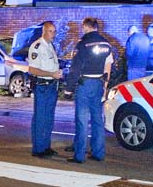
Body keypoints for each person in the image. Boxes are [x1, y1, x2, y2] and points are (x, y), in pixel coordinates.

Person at [64, 17, 113, 164]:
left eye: (83, 27)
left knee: (82, 120)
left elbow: (75, 68)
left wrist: (69, 89)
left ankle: (79, 155)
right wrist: (105, 86)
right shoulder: (106, 44)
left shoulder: (83, 43)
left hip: (85, 84)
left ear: (85, 27)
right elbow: (108, 65)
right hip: (98, 84)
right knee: (98, 120)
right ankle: (98, 153)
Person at [27, 21, 63, 158]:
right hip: (42, 85)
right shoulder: (37, 46)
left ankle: (46, 146)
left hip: (52, 85)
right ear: (44, 31)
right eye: (50, 31)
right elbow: (32, 69)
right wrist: (51, 74)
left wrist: (56, 73)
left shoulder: (49, 46)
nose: (53, 34)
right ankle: (38, 149)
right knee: (40, 118)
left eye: (54, 31)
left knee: (49, 118)